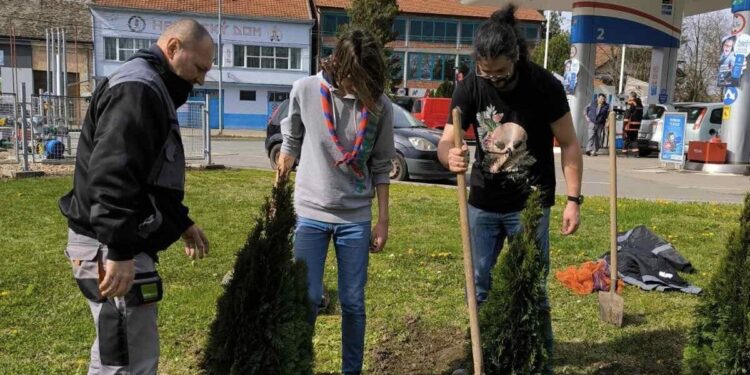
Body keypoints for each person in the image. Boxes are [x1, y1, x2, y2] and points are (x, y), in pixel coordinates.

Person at [58, 19, 212, 374]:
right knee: (126, 362)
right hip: (109, 245)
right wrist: (120, 250)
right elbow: (114, 174)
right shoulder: (139, 89)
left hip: (113, 241)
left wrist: (181, 222)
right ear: (173, 48)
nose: (201, 79)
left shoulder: (148, 85)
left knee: (122, 352)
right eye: (199, 67)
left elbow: (148, 174)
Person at [437, 5, 583, 374]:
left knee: (532, 285)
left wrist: (573, 200)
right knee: (480, 284)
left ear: (516, 57)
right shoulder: (470, 86)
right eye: (487, 73)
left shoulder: (544, 85)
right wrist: (448, 157)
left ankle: (537, 361)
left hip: (530, 205)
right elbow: (448, 139)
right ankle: (483, 359)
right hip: (483, 203)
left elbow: (568, 143)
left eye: (500, 73)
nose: (494, 80)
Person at [277, 29, 395, 375]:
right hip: (310, 211)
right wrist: (281, 178)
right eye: (356, 80)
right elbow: (291, 137)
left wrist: (383, 220)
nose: (362, 89)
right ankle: (299, 363)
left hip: (355, 217)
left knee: (354, 302)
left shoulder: (380, 106)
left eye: (369, 81)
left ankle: (351, 371)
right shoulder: (306, 90)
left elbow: (382, 165)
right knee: (308, 298)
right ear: (340, 67)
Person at [622, 92, 643, 156]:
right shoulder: (640, 104)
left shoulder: (631, 103)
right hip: (636, 125)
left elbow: (627, 114)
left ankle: (624, 152)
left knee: (626, 138)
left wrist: (624, 125)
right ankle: (636, 153)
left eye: (629, 96)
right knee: (634, 139)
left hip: (629, 124)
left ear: (631, 96)